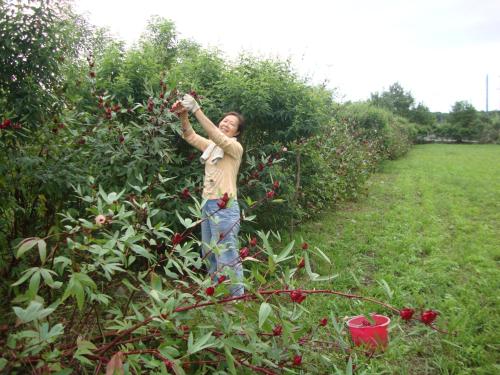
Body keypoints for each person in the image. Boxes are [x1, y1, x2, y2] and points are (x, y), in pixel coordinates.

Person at [176, 94, 245, 297]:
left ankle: (236, 298)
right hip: (208, 205)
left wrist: (196, 109)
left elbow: (216, 136)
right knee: (209, 254)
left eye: (231, 124)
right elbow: (189, 135)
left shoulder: (234, 147)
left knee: (227, 253)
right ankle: (217, 294)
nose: (226, 124)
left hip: (225, 207)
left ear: (237, 132)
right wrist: (183, 115)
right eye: (224, 120)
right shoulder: (211, 147)